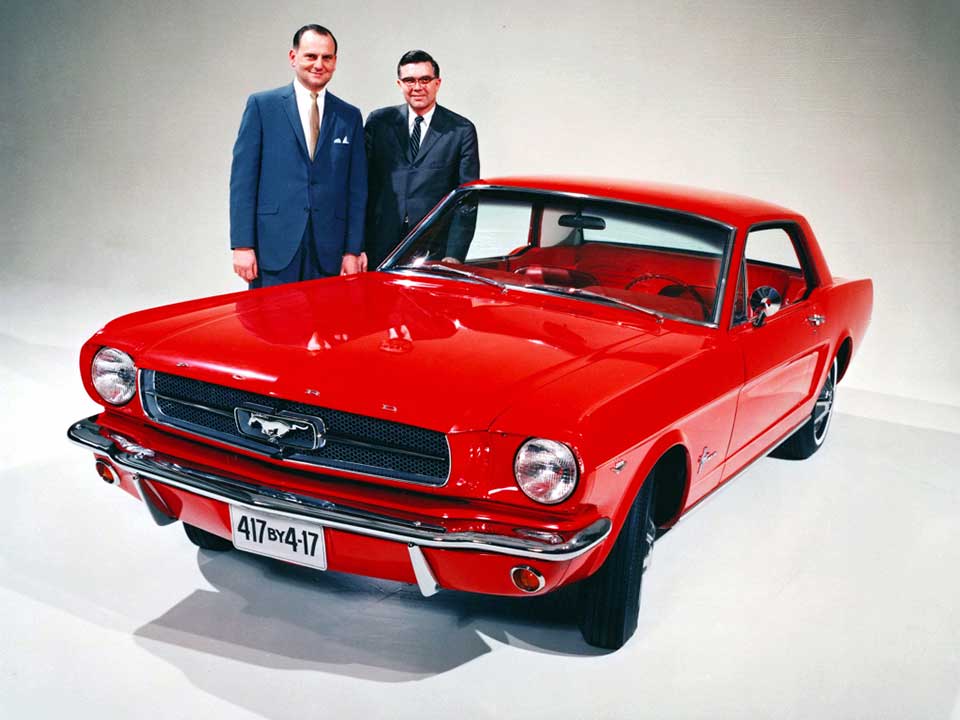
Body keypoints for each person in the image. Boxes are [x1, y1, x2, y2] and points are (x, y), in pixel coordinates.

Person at [230, 25, 367, 287]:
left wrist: (352, 249)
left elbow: (357, 189)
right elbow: (243, 182)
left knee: (326, 314)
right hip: (274, 247)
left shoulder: (349, 116)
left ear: (335, 62)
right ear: (293, 57)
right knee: (272, 315)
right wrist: (242, 245)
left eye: (327, 58)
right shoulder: (262, 106)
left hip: (329, 251)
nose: (319, 64)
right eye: (311, 56)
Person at [363, 50, 480, 268]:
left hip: (434, 248)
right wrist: (356, 247)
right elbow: (363, 186)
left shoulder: (461, 130)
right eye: (410, 80)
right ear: (399, 84)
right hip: (379, 245)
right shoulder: (378, 122)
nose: (417, 87)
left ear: (437, 83)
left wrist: (454, 255)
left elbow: (467, 200)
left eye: (425, 80)